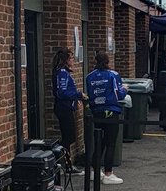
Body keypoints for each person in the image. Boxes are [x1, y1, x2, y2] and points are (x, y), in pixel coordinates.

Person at [85, 51, 128, 183]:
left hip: (96, 111)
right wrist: (125, 88)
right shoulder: (113, 75)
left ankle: (94, 170)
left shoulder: (89, 77)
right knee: (110, 142)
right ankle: (108, 173)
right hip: (111, 111)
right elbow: (118, 95)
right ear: (108, 61)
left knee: (99, 141)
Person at [52, 47, 84, 173]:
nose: (73, 61)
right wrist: (78, 95)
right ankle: (62, 162)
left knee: (69, 136)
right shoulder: (62, 73)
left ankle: (66, 164)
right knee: (69, 137)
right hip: (63, 108)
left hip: (67, 107)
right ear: (65, 60)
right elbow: (62, 93)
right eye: (71, 58)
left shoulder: (65, 72)